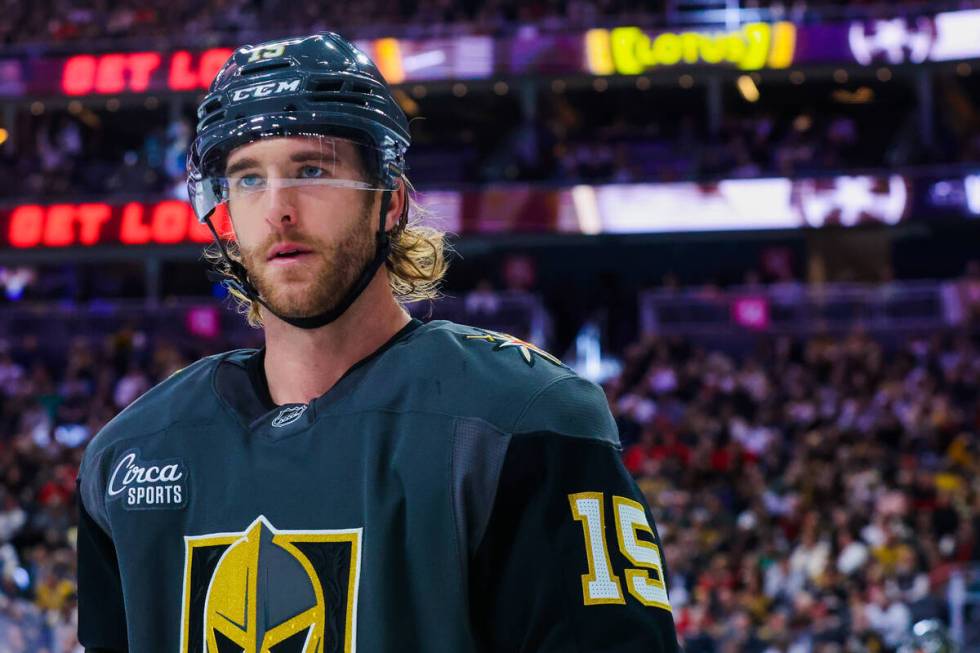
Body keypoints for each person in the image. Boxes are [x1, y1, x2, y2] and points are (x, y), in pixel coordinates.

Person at [76, 32, 679, 652]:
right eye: (248, 179)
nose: (279, 208)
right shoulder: (128, 456)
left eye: (311, 169)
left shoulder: (526, 420)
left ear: (389, 202)